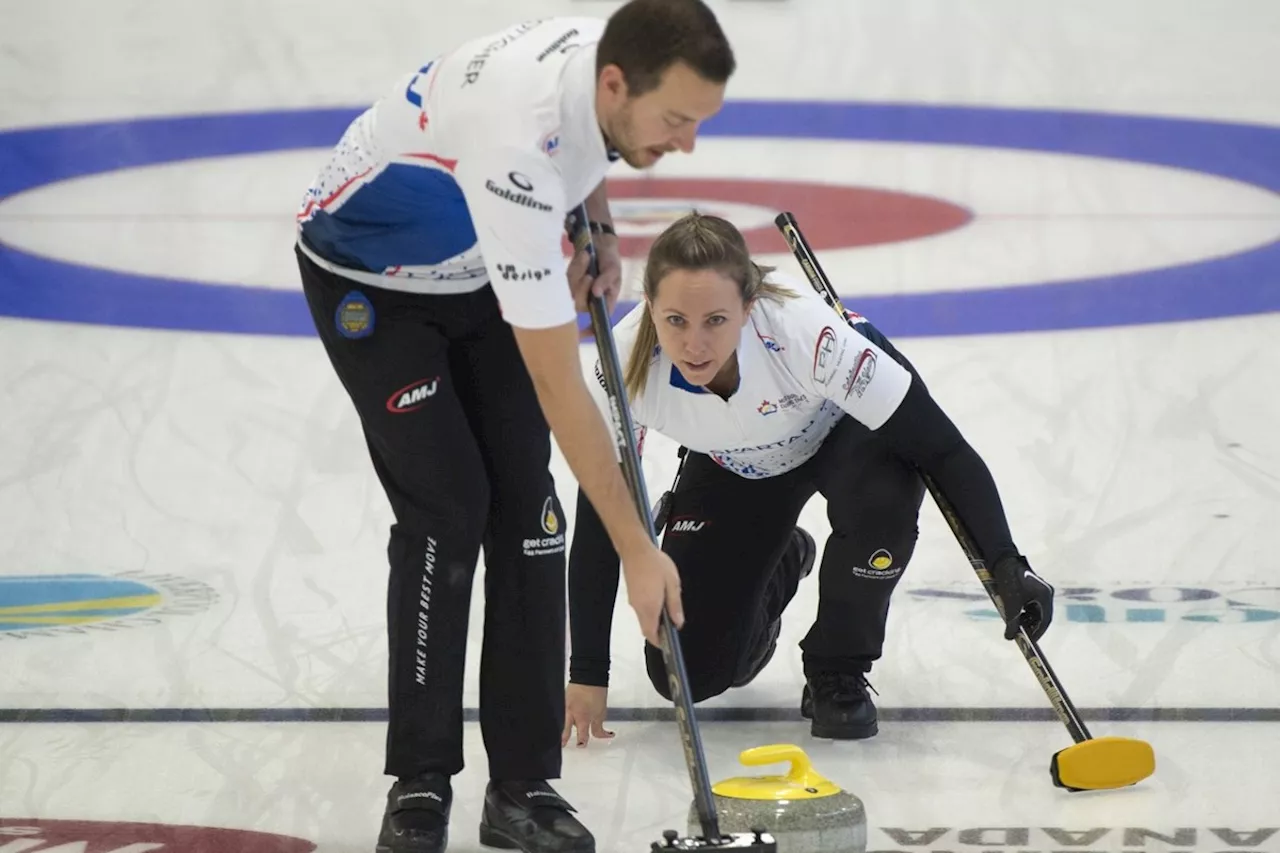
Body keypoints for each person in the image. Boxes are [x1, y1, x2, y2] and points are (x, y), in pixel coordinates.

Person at [291, 4, 735, 852]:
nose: (686, 145)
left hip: (476, 263)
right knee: (449, 509)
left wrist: (598, 223)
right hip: (370, 278)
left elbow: (586, 148)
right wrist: (639, 549)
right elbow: (560, 385)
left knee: (530, 516)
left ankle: (522, 786)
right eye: (677, 120)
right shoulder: (517, 153)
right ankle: (421, 781)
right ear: (617, 83)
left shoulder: (602, 60)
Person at [562, 213, 1055, 746]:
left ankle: (836, 667)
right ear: (650, 308)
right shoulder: (623, 369)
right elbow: (602, 512)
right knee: (684, 673)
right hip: (736, 462)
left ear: (749, 309)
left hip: (843, 436)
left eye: (716, 321)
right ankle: (782, 560)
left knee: (883, 505)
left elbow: (943, 449)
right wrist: (588, 671)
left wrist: (1007, 562)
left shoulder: (807, 336)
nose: (694, 344)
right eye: (676, 320)